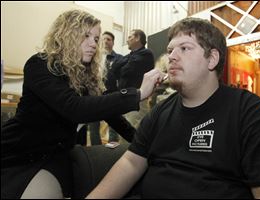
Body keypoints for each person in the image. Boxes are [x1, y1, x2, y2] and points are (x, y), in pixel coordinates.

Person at [86, 18, 260, 199]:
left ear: (212, 59)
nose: (171, 56)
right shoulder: (160, 113)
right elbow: (131, 164)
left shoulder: (253, 114)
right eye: (170, 50)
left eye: (184, 48)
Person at [1, 9, 165, 199]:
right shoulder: (40, 64)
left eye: (96, 39)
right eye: (85, 35)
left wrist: (141, 143)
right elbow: (75, 108)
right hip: (19, 154)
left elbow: (112, 116)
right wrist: (137, 94)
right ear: (67, 34)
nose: (93, 44)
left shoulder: (86, 76)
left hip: (57, 157)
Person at [113, 29, 155, 129]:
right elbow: (115, 69)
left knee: (134, 129)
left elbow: (125, 71)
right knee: (125, 130)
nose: (127, 40)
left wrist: (123, 65)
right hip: (124, 98)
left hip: (137, 99)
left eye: (129, 37)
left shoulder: (146, 54)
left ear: (137, 38)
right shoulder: (129, 56)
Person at [88, 31, 123, 145]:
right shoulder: (92, 57)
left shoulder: (119, 58)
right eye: (103, 39)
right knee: (93, 125)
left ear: (113, 42)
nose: (106, 41)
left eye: (109, 39)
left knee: (114, 125)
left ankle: (112, 150)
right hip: (94, 94)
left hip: (112, 94)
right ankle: (95, 150)